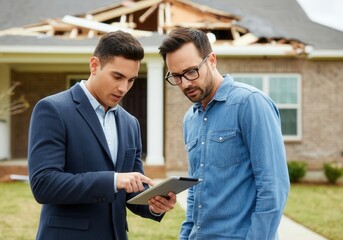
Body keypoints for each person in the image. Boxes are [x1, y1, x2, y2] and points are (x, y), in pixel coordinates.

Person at [28, 30, 176, 240]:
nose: (123, 88)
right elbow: (44, 184)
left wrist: (154, 204)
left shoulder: (130, 123)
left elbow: (131, 190)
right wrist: (114, 180)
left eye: (131, 80)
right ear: (95, 65)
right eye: (117, 76)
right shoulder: (53, 110)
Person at [158, 27, 290, 240]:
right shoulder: (190, 119)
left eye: (191, 71)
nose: (185, 83)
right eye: (176, 76)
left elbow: (273, 188)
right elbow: (194, 191)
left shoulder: (250, 103)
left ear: (211, 60)